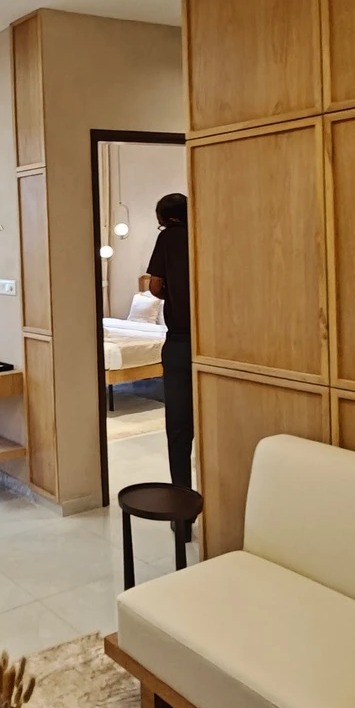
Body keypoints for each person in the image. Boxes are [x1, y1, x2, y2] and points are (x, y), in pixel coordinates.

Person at [146, 193, 194, 512]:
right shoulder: (205, 233)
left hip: (179, 341)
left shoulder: (167, 240)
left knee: (179, 428)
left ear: (163, 216)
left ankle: (182, 508)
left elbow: (154, 287)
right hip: (214, 344)